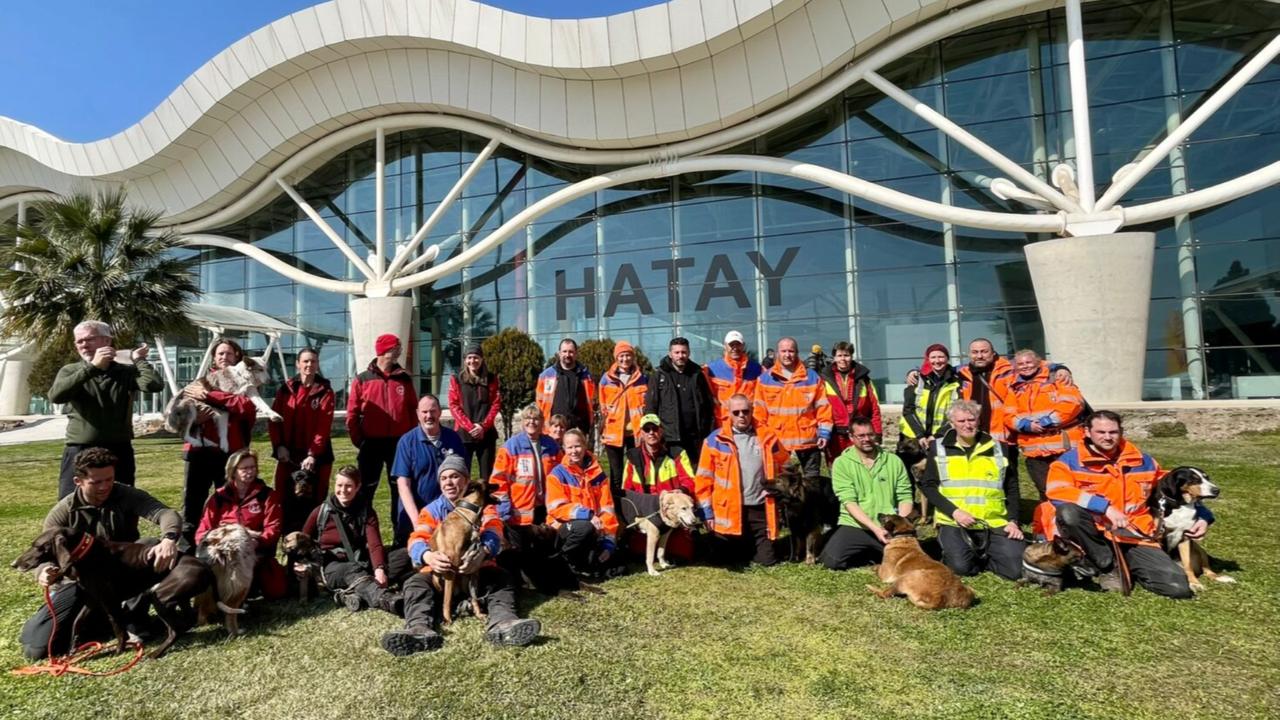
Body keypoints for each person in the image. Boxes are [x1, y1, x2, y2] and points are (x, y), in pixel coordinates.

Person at [19, 447, 182, 659]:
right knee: (37, 648)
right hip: (80, 584)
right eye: (96, 482)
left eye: (109, 479)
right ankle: (106, 618)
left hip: (123, 573)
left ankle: (132, 619)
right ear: (78, 481)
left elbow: (165, 513)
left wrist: (169, 539)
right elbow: (43, 553)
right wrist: (42, 572)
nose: (105, 486)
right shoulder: (62, 513)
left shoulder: (125, 494)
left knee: (150, 544)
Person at [381, 456, 541, 655]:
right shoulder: (431, 510)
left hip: (477, 570)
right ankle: (418, 628)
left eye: (455, 477)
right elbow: (416, 538)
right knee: (415, 584)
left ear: (467, 482)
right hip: (439, 573)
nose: (449, 482)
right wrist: (427, 556)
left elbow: (494, 532)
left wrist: (483, 552)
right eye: (444, 478)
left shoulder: (486, 507)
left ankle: (504, 623)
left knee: (503, 578)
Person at [1042, 411, 1195, 598]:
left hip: (1134, 533)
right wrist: (1105, 507)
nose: (1107, 437)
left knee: (1177, 588)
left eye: (1113, 432)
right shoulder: (1068, 462)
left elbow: (1173, 487)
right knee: (1068, 512)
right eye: (1101, 432)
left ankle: (1131, 564)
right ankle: (1108, 565)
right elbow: (1057, 491)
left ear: (1121, 431)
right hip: (1092, 533)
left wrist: (1201, 516)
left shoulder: (1143, 461)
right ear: (1087, 432)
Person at [906, 338, 1074, 496]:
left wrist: (1059, 368)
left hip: (1003, 434)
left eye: (984, 351)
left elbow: (1034, 364)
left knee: (1008, 476)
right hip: (975, 434)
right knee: (983, 475)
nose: (979, 355)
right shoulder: (963, 371)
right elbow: (937, 369)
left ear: (993, 353)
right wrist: (913, 371)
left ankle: (1011, 514)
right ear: (969, 354)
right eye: (975, 352)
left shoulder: (1008, 368)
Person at [50, 320, 164, 499]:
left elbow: (153, 385)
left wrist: (139, 360)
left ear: (106, 341)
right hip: (80, 448)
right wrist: (92, 368)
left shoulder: (124, 372)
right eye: (79, 342)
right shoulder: (71, 371)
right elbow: (56, 396)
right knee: (72, 501)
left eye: (89, 339)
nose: (84, 345)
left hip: (118, 448)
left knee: (121, 501)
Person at [918, 401, 1025, 581]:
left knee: (1015, 570)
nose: (967, 425)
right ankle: (965, 553)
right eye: (961, 421)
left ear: (978, 421)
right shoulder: (938, 448)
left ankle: (984, 554)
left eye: (971, 419)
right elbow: (928, 485)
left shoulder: (999, 448)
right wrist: (955, 512)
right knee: (961, 568)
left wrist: (1013, 521)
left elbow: (1011, 489)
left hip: (993, 522)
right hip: (955, 522)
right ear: (952, 424)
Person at [695, 393, 792, 566]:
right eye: (736, 412)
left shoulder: (768, 437)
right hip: (729, 511)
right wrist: (707, 513)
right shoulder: (713, 441)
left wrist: (778, 489)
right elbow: (703, 481)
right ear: (728, 413)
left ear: (752, 411)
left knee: (767, 560)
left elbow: (787, 466)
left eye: (745, 411)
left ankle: (752, 545)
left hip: (759, 508)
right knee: (725, 560)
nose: (741, 416)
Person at [180, 337, 258, 540]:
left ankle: (228, 541)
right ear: (214, 358)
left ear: (237, 357)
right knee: (192, 503)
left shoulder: (244, 383)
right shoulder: (200, 383)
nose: (225, 357)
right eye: (220, 353)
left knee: (229, 500)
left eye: (229, 353)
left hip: (230, 453)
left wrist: (210, 396)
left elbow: (246, 407)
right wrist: (196, 419)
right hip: (198, 452)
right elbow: (180, 416)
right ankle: (188, 545)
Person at [299, 466, 401, 613]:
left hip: (360, 560)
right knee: (351, 570)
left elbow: (374, 544)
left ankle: (353, 592)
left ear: (357, 487)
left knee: (403, 555)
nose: (343, 490)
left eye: (348, 486)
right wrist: (301, 563)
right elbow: (303, 540)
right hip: (332, 566)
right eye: (339, 485)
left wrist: (379, 569)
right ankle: (385, 599)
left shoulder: (366, 511)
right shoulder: (320, 512)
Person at [818, 417, 914, 570]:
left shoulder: (894, 461)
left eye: (870, 434)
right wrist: (875, 529)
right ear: (851, 437)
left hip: (889, 525)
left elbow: (905, 495)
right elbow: (849, 501)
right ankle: (869, 552)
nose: (867, 439)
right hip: (856, 524)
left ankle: (878, 553)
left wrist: (898, 523)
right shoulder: (842, 463)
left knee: (909, 563)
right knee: (831, 562)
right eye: (861, 436)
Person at [490, 405, 566, 595]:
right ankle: (523, 585)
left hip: (545, 508)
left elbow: (562, 473)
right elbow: (498, 481)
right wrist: (505, 509)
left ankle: (548, 580)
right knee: (521, 553)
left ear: (542, 423)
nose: (532, 422)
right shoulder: (511, 447)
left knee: (545, 548)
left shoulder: (551, 445)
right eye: (528, 419)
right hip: (519, 511)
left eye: (536, 419)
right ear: (523, 422)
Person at [194, 448, 287, 600]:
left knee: (276, 590)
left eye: (253, 467)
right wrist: (213, 544)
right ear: (233, 471)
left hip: (254, 550)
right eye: (244, 468)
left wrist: (256, 541)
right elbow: (203, 530)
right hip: (223, 551)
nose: (250, 472)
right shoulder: (218, 497)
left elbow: (273, 528)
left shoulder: (267, 495)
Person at [346, 333, 418, 509]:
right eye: (396, 348)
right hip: (371, 443)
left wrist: (410, 438)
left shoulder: (404, 379)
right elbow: (352, 413)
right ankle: (361, 530)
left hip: (399, 443)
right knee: (365, 489)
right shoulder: (362, 379)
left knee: (400, 488)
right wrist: (360, 440)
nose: (399, 351)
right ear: (385, 351)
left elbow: (413, 410)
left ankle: (401, 534)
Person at [268, 347, 335, 533]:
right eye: (305, 361)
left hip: (317, 455)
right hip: (288, 453)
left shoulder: (325, 391)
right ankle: (287, 540)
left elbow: (324, 425)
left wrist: (313, 454)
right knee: (284, 497)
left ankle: (315, 539)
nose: (309, 365)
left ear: (317, 365)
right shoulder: (285, 389)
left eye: (313, 361)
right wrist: (279, 446)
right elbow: (274, 420)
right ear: (298, 364)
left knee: (315, 500)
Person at [1005, 349, 1085, 501]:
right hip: (1035, 450)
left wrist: (1049, 421)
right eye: (1020, 363)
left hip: (1064, 447)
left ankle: (1075, 522)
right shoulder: (1014, 387)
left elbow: (1073, 403)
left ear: (1038, 362)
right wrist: (1024, 425)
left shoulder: (1056, 378)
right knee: (1044, 490)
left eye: (1028, 362)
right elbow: (1008, 414)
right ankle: (1049, 522)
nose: (1025, 366)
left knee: (1071, 487)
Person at [617, 414, 698, 563]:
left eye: (654, 428)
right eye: (646, 429)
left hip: (672, 515)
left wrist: (681, 491)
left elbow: (691, 482)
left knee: (684, 552)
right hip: (645, 515)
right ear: (641, 433)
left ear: (661, 431)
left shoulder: (677, 453)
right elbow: (626, 491)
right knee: (636, 551)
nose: (651, 433)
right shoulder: (632, 457)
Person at [390, 395, 467, 547]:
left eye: (433, 411)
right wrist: (417, 522)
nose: (429, 416)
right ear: (418, 414)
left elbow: (464, 477)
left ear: (439, 412)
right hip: (414, 518)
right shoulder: (407, 442)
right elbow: (403, 485)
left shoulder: (453, 439)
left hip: (448, 516)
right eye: (424, 412)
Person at [753, 337, 832, 479]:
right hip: (778, 442)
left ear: (797, 353)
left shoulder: (812, 377)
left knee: (812, 483)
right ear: (777, 353)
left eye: (791, 351)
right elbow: (759, 413)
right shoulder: (765, 379)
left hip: (808, 441)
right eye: (783, 351)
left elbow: (823, 407)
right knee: (783, 483)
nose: (787, 354)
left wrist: (824, 432)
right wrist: (763, 438)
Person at [546, 429, 619, 579]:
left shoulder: (598, 474)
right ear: (564, 449)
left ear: (585, 446)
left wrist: (608, 544)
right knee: (584, 527)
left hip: (593, 529)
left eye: (577, 446)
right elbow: (556, 509)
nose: (574, 451)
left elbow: (608, 510)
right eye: (570, 447)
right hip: (563, 529)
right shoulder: (557, 474)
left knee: (616, 564)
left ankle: (584, 563)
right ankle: (562, 560)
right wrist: (588, 515)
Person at [643, 337, 714, 468]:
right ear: (670, 354)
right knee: (673, 473)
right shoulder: (659, 375)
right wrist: (652, 433)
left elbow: (708, 404)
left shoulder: (697, 374)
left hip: (695, 436)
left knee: (695, 472)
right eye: (677, 352)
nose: (680, 356)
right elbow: (651, 406)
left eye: (683, 352)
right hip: (670, 437)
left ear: (689, 353)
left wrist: (708, 430)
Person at [898, 343, 959, 472]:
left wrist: (936, 436)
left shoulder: (957, 381)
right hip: (912, 438)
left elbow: (957, 414)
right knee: (908, 477)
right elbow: (908, 410)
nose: (937, 361)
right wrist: (920, 436)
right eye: (933, 357)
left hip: (942, 437)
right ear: (928, 359)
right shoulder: (916, 379)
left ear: (947, 358)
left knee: (939, 476)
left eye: (941, 357)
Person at [598, 340, 648, 496]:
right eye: (621, 356)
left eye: (628, 355)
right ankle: (617, 505)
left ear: (633, 357)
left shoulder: (643, 378)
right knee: (616, 473)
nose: (625, 359)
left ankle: (638, 499)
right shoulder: (606, 379)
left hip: (636, 433)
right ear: (616, 358)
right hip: (614, 433)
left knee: (638, 469)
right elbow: (602, 406)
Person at [447, 342, 501, 481]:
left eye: (476, 357)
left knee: (487, 476)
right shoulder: (456, 380)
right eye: (469, 357)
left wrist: (483, 426)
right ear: (465, 360)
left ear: (482, 359)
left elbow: (496, 404)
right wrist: (470, 427)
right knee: (463, 475)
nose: (473, 361)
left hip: (486, 434)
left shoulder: (491, 379)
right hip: (464, 435)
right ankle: (464, 502)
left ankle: (486, 502)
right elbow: (453, 405)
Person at [821, 341, 881, 462]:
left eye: (846, 355)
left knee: (862, 466)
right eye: (840, 355)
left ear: (852, 356)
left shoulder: (864, 379)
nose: (843, 359)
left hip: (859, 432)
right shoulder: (824, 378)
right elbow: (819, 408)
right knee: (836, 468)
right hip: (835, 434)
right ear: (834, 358)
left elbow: (875, 408)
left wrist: (877, 433)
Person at [535, 338, 596, 435]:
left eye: (571, 352)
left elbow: (592, 402)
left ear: (576, 353)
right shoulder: (546, 376)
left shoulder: (586, 376)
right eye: (564, 351)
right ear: (559, 353)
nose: (567, 355)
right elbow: (539, 403)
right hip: (554, 430)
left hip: (579, 430)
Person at [705, 330, 765, 426]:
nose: (735, 348)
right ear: (725, 346)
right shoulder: (711, 370)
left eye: (738, 344)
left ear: (743, 345)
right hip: (722, 424)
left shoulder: (756, 369)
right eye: (731, 345)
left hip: (749, 424)